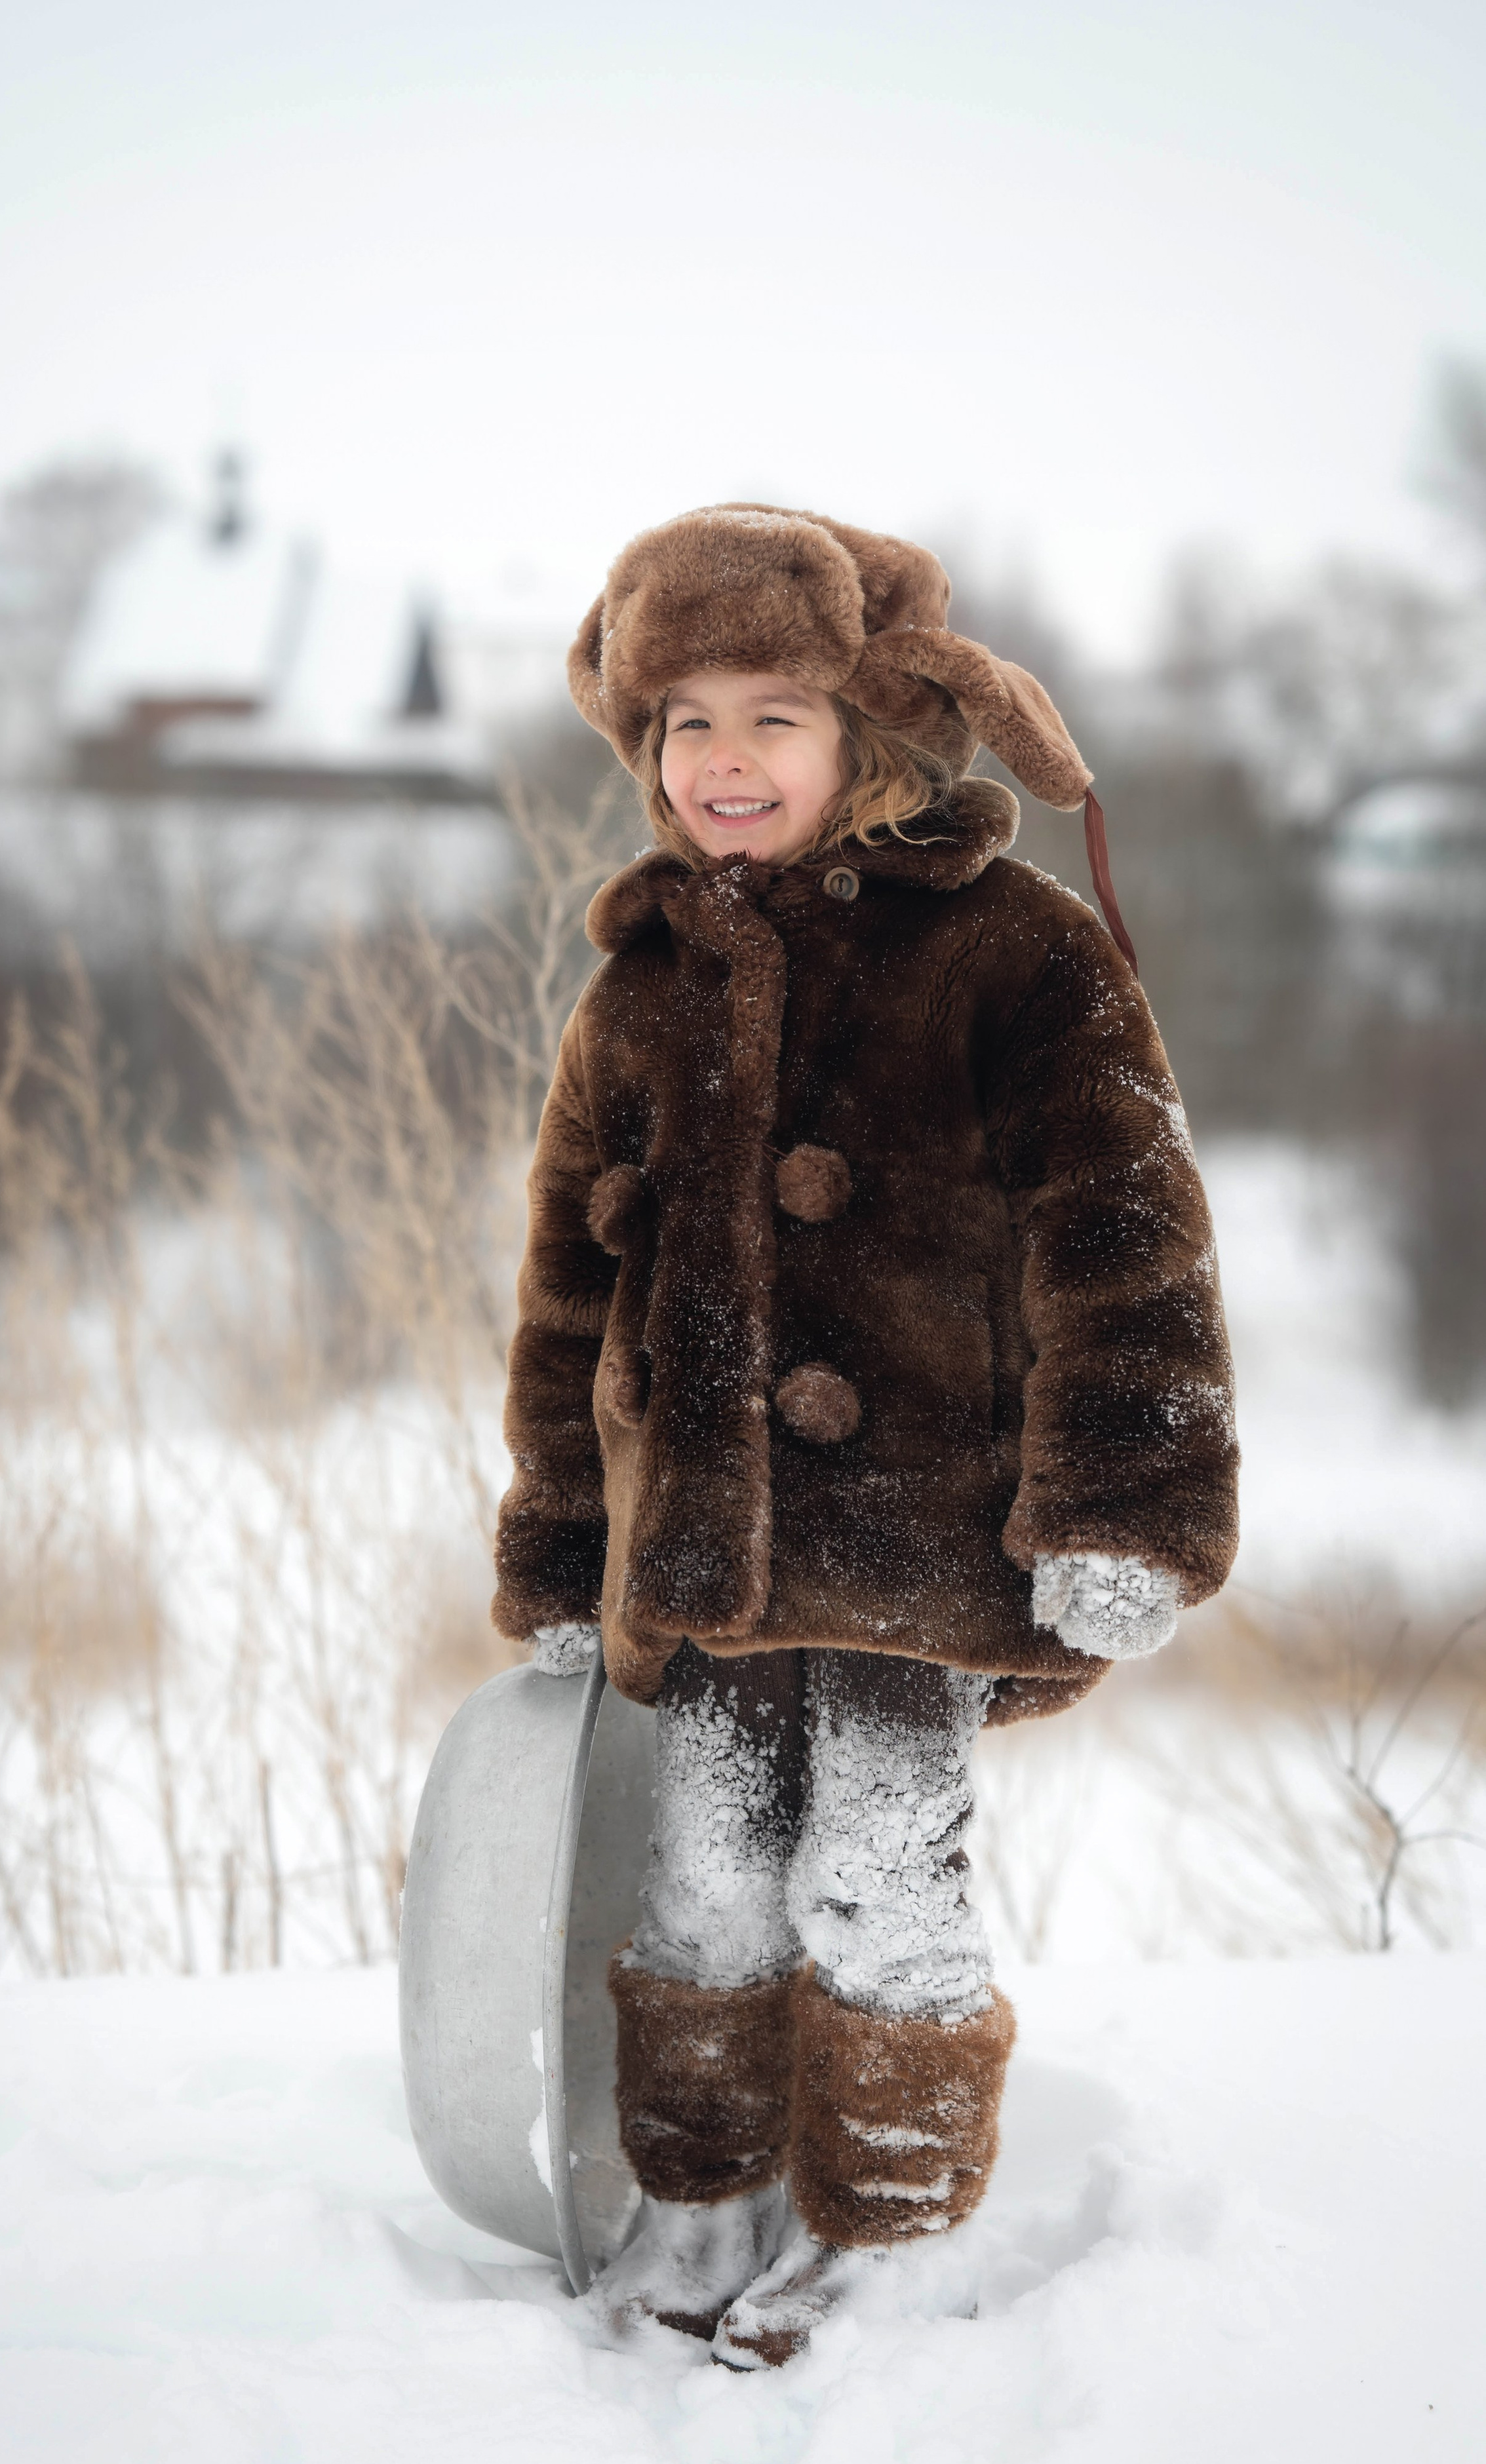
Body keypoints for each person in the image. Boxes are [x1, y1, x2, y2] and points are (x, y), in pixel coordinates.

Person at [491, 506, 1238, 2368]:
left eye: (772, 718)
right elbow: (569, 1312)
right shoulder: (641, 989)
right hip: (711, 1549)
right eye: (686, 725)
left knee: (877, 1863)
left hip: (928, 1533)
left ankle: (887, 2219)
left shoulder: (1013, 953)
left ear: (872, 736)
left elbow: (1125, 1233)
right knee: (705, 1867)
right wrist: (564, 1551)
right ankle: (705, 2193)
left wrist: (1129, 1505)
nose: (724, 763)